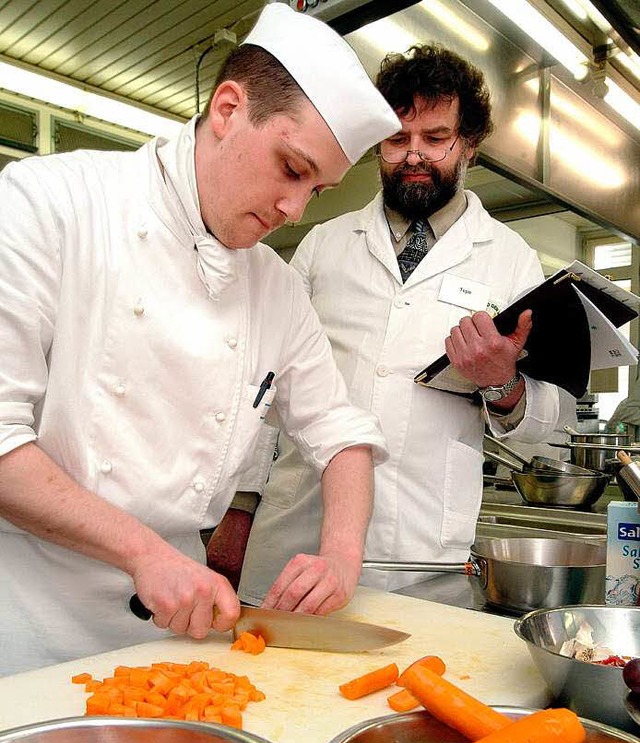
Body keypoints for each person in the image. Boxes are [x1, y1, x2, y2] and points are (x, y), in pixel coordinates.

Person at [0, 3, 402, 674]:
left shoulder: (276, 288)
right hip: (27, 621)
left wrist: (339, 553)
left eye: (319, 189)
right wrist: (143, 551)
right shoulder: (49, 204)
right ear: (226, 109)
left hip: (179, 628)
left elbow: (341, 433)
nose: (294, 210)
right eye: (292, 168)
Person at [235, 43, 577, 603]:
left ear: (468, 143)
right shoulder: (323, 246)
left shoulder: (510, 259)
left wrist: (504, 383)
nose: (413, 155)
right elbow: (259, 388)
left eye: (435, 138)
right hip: (298, 536)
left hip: (419, 556)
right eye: (397, 139)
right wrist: (240, 509)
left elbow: (550, 420)